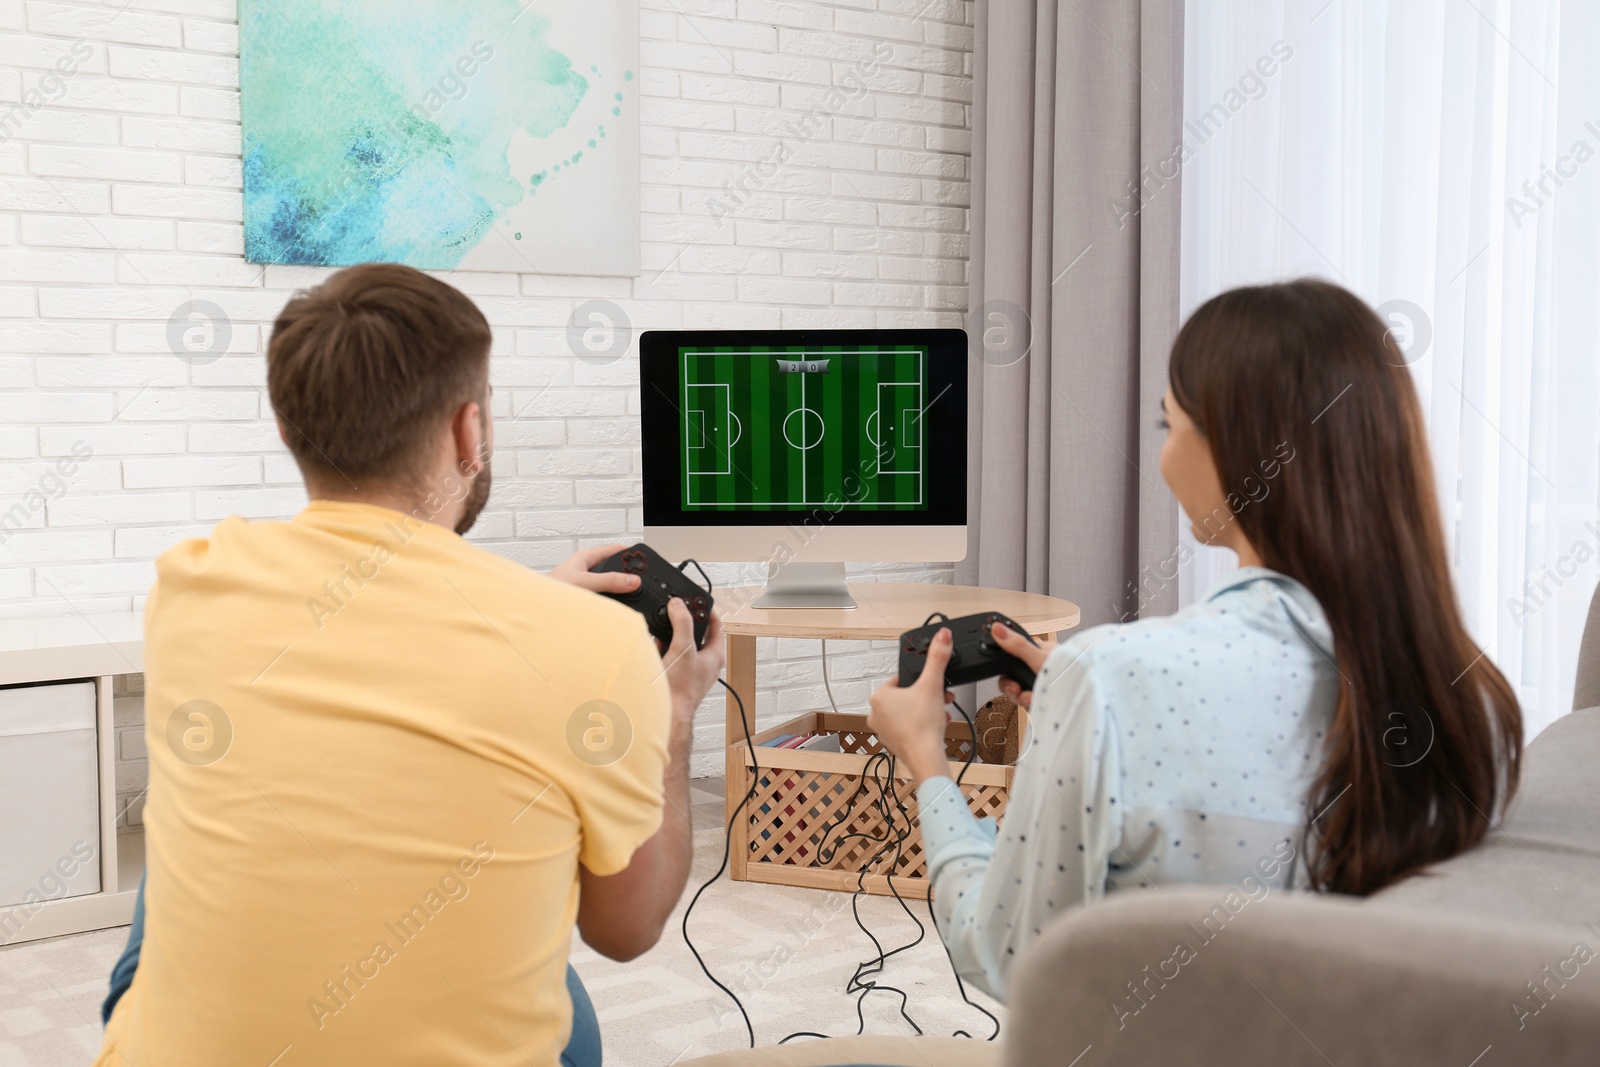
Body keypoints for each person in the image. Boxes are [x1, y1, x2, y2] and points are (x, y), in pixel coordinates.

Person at [95, 263, 725, 1067]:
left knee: (199, 814)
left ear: (289, 431)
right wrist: (668, 716)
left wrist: (531, 608)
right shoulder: (591, 650)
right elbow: (625, 930)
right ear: (470, 431)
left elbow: (372, 626)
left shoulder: (190, 581)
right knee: (567, 1008)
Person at [868, 279, 1523, 1001]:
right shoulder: (1471, 700)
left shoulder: (1106, 677)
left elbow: (1008, 957)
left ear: (1235, 450)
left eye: (1167, 424)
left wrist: (926, 761)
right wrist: (1084, 704)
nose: (1163, 455)